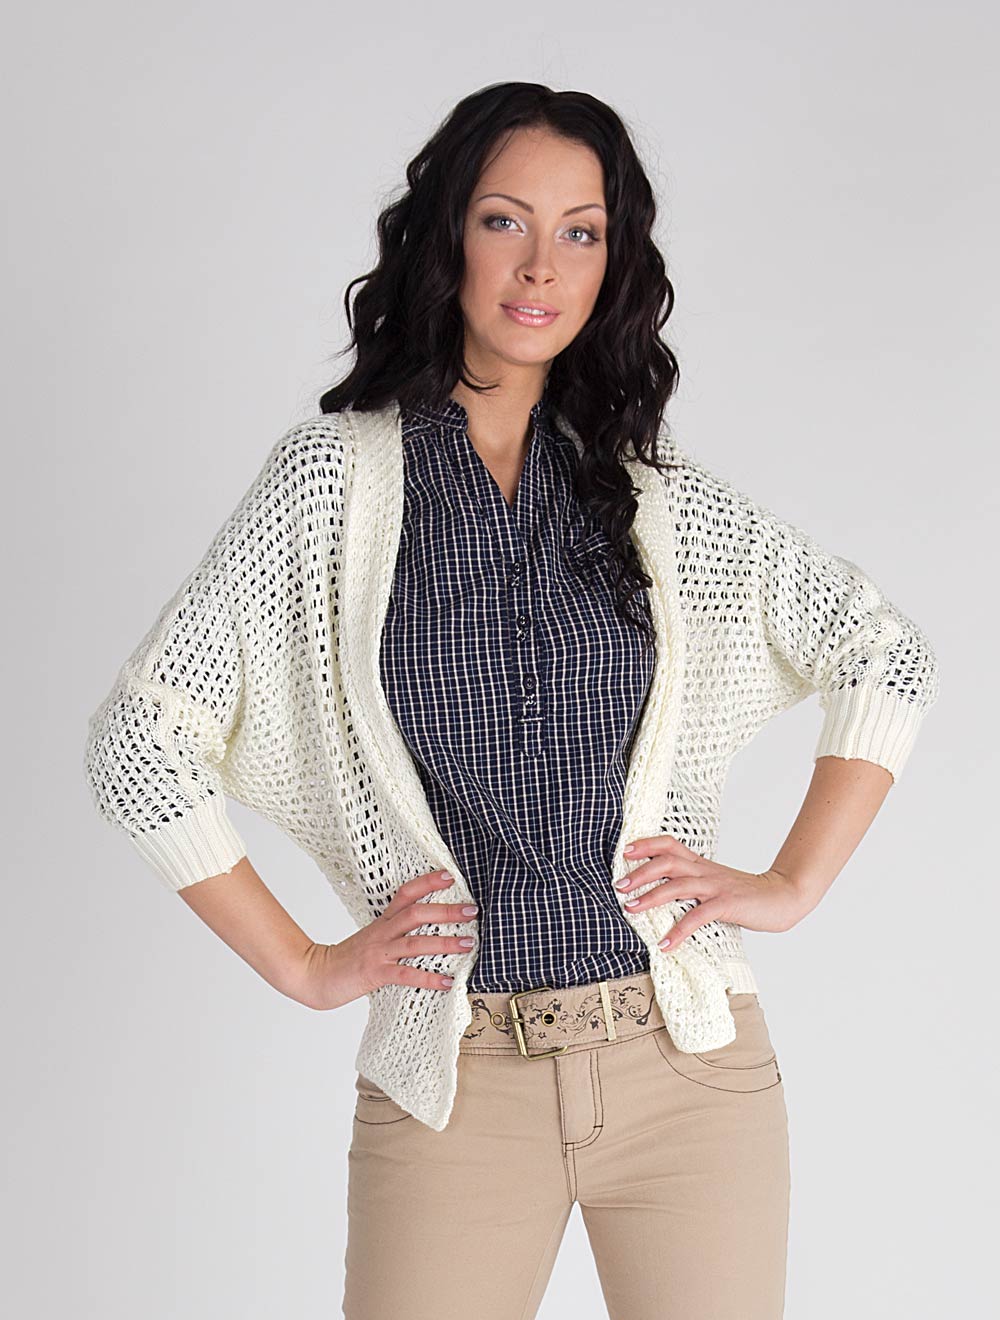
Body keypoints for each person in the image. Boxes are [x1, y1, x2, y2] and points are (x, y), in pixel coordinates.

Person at [84, 82, 940, 1320]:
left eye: (580, 232)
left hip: (686, 1073)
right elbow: (138, 746)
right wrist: (309, 967)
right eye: (505, 221)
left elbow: (881, 652)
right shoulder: (331, 484)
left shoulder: (648, 490)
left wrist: (791, 884)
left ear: (612, 262)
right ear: (447, 235)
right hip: (457, 1087)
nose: (542, 266)